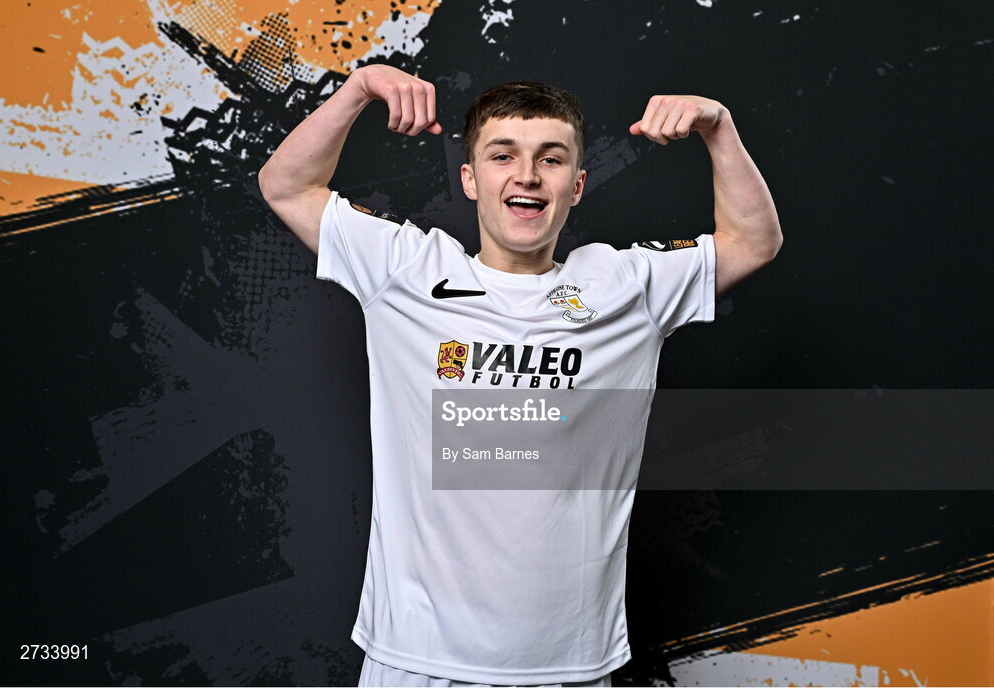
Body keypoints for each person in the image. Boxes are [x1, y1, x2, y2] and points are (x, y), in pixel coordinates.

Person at [257, 64, 781, 687]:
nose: (527, 175)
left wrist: (718, 128)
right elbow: (285, 186)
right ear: (471, 179)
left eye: (551, 159)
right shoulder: (404, 269)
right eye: (503, 155)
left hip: (569, 664)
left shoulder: (626, 286)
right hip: (415, 658)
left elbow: (754, 241)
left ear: (578, 185)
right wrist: (359, 88)